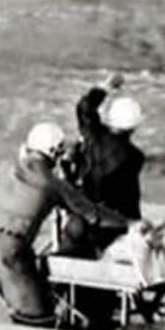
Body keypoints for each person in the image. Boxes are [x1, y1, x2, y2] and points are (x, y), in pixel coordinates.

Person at [0, 121, 99, 326]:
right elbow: (93, 215)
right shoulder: (52, 183)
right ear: (56, 153)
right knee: (39, 326)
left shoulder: (4, 169)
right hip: (10, 256)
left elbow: (21, 193)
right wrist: (130, 223)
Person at [61, 72, 145, 260]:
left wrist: (106, 87)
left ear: (111, 118)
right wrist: (135, 225)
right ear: (134, 127)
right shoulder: (134, 158)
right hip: (107, 228)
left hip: (79, 218)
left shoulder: (93, 136)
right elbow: (130, 200)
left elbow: (84, 107)